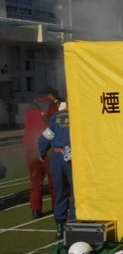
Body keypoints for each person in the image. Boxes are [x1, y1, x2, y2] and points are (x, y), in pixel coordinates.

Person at [39, 100, 74, 240]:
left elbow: (45, 137)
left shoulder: (55, 117)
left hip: (56, 157)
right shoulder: (78, 116)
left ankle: (60, 228)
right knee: (76, 193)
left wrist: (42, 152)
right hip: (72, 158)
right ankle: (74, 223)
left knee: (60, 192)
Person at [22, 88, 59, 218]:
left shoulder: (30, 107)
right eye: (55, 98)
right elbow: (56, 124)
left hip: (29, 147)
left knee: (35, 181)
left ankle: (35, 209)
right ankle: (57, 207)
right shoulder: (51, 105)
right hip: (46, 146)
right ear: (50, 95)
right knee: (54, 180)